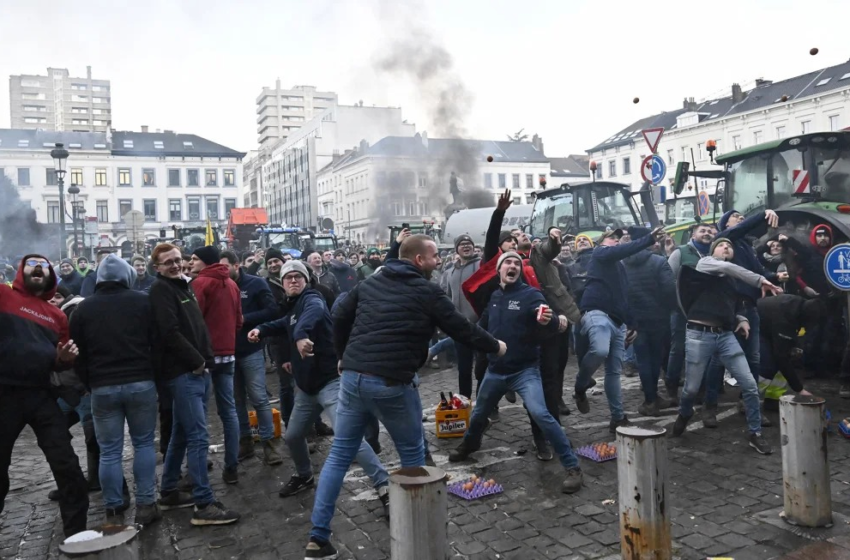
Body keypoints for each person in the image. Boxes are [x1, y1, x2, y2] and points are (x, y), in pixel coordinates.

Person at [303, 234, 505, 559]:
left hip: (353, 378)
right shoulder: (426, 290)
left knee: (339, 455)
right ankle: (419, 539)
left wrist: (343, 355)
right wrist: (496, 346)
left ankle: (317, 539)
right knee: (412, 455)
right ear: (418, 260)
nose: (439, 261)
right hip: (392, 382)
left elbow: (339, 313)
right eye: (435, 256)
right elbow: (460, 327)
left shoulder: (372, 282)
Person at [247, 260, 390, 514]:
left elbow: (309, 318)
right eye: (288, 277)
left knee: (347, 438)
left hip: (330, 383)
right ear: (282, 283)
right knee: (292, 436)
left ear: (306, 280)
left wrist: (302, 336)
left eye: (297, 277)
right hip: (306, 389)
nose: (293, 280)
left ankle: (384, 485)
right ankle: (304, 475)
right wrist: (259, 328)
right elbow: (282, 324)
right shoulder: (292, 309)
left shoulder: (312, 299)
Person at [448, 252, 584, 493]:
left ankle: (572, 467)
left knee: (542, 415)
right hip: (496, 370)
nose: (512, 266)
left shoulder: (531, 294)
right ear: (499, 270)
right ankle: (469, 445)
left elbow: (547, 318)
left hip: (524, 370)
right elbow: (481, 328)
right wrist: (453, 339)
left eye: (516, 264)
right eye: (507, 263)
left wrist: (548, 320)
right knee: (479, 413)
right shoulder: (495, 296)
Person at [150, 243, 240, 525]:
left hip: (198, 370)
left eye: (179, 260)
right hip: (184, 372)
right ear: (158, 268)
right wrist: (197, 361)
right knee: (199, 437)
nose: (176, 265)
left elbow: (196, 327)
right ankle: (204, 503)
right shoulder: (161, 290)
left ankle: (168, 491)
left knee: (180, 432)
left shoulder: (183, 286)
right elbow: (169, 332)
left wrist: (206, 360)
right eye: (169, 262)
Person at [0, 255, 89, 538]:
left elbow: (59, 361)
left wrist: (63, 359)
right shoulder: (3, 295)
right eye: (31, 264)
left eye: (43, 265)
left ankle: (75, 532)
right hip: (4, 394)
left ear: (51, 276)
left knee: (66, 463)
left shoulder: (58, 315)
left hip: (41, 395)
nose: (38, 268)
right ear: (21, 273)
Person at [70, 255, 160, 526]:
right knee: (143, 443)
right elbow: (157, 343)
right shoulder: (143, 302)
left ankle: (112, 510)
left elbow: (77, 354)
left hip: (102, 386)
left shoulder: (83, 310)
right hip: (140, 382)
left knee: (109, 451)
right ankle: (146, 504)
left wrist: (89, 383)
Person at [672, 237, 781, 454]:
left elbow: (730, 305)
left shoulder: (731, 281)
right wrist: (760, 280)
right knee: (691, 388)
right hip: (698, 334)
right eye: (722, 245)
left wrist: (741, 318)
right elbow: (727, 267)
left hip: (725, 335)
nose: (726, 247)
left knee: (749, 384)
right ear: (713, 251)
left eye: (729, 246)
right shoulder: (706, 263)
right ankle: (685, 413)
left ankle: (755, 433)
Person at [573, 226, 667, 433]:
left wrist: (631, 323)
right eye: (612, 238)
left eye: (619, 238)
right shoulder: (600, 253)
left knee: (614, 372)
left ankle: (618, 417)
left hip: (618, 321)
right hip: (597, 311)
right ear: (602, 242)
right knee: (599, 350)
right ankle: (581, 384)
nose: (617, 240)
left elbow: (626, 296)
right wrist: (648, 239)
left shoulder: (621, 267)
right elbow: (621, 250)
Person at [218, 250, 282, 466]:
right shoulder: (221, 285)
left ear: (237, 265)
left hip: (251, 349)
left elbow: (272, 310)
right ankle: (245, 442)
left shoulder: (256, 284)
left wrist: (245, 319)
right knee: (236, 401)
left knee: (259, 398)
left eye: (226, 267)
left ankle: (269, 444)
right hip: (227, 352)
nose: (223, 272)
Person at [189, 245, 243, 485]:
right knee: (229, 411)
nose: (190, 263)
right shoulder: (231, 283)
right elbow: (239, 321)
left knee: (198, 414)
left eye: (194, 259)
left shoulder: (200, 284)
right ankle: (232, 466)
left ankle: (197, 472)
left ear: (206, 262)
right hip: (228, 354)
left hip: (206, 358)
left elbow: (193, 321)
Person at [527, 226, 581, 459]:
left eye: (520, 237)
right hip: (527, 332)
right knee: (531, 383)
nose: (519, 239)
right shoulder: (510, 263)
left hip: (554, 324)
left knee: (553, 375)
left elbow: (548, 249)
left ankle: (552, 427)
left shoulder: (537, 256)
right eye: (510, 239)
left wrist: (553, 238)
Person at [623, 240, 677, 416]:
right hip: (658, 317)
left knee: (643, 359)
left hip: (635, 319)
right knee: (655, 358)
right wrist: (668, 309)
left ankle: (651, 399)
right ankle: (652, 399)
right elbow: (670, 289)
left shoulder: (623, 263)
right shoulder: (658, 261)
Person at [666, 223, 715, 403]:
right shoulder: (680, 253)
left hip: (706, 311)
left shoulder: (714, 253)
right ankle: (671, 388)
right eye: (702, 231)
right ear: (693, 235)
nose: (706, 233)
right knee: (678, 349)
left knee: (704, 351)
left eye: (710, 231)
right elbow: (668, 279)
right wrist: (676, 304)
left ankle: (700, 389)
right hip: (681, 311)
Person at [757, 294, 825, 403]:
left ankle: (773, 398)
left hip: (769, 326)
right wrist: (799, 389)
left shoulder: (800, 305)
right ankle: (747, 400)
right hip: (753, 326)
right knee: (768, 365)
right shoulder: (785, 318)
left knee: (787, 357)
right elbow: (780, 356)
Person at [444, 234, 482, 398]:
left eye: (469, 243)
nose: (466, 246)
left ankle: (487, 403)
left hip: (480, 325)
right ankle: (464, 401)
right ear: (456, 249)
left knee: (482, 368)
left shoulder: (481, 265)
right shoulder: (449, 271)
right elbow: (446, 295)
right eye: (462, 244)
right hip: (460, 327)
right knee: (464, 369)